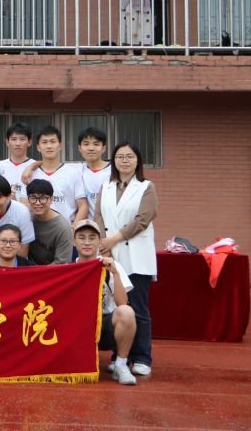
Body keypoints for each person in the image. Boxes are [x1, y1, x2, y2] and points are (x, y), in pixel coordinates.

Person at [95, 141, 158, 377]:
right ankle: (120, 357)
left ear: (137, 160)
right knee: (117, 307)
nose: (124, 160)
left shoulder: (146, 186)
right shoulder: (106, 186)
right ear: (114, 161)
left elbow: (143, 219)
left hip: (136, 255)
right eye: (120, 156)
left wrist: (113, 239)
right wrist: (105, 246)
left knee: (138, 308)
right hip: (110, 254)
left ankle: (142, 357)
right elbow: (98, 216)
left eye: (129, 156)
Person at [73, 218, 138, 386]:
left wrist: (114, 273)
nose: (87, 242)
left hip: (103, 326)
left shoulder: (111, 266)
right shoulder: (68, 268)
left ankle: (121, 365)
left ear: (100, 241)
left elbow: (122, 302)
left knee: (127, 312)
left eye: (92, 238)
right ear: (74, 241)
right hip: (77, 329)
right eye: (81, 237)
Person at [21, 126, 85, 222]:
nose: (49, 146)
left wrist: (74, 227)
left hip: (66, 228)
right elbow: (24, 204)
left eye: (53, 141)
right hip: (36, 228)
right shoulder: (30, 174)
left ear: (60, 146)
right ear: (38, 147)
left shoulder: (73, 173)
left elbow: (83, 206)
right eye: (44, 142)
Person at [25, 179, 73, 265]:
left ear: (51, 199)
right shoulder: (25, 216)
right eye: (33, 198)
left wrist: (37, 272)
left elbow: (62, 262)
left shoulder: (62, 227)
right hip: (27, 267)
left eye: (43, 198)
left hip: (51, 271)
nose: (37, 203)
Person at [75, 126, 111, 220]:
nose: (91, 148)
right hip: (89, 226)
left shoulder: (114, 170)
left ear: (103, 148)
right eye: (86, 144)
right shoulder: (77, 170)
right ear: (79, 148)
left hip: (112, 225)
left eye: (96, 144)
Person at [0, 122, 35, 199]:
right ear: (7, 142)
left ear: (29, 142)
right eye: (14, 139)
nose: (18, 143)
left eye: (22, 139)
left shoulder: (36, 167)